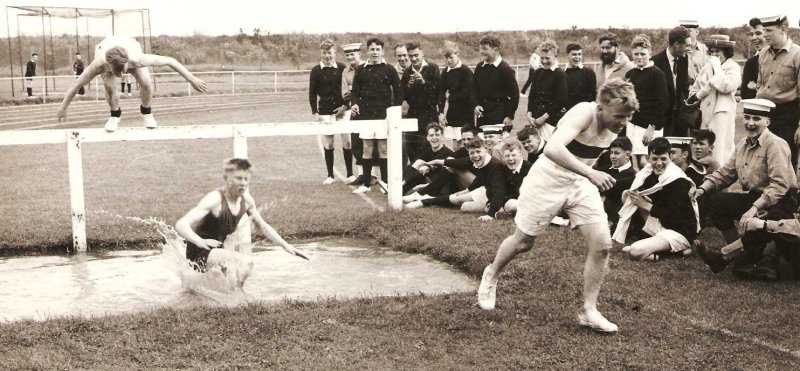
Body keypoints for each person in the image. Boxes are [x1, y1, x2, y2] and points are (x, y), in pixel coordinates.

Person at [478, 78, 639, 333]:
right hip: (548, 178)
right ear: (601, 105)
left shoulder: (617, 124)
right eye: (619, 115)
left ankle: (589, 310)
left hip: (579, 181)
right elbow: (552, 149)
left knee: (603, 245)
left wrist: (589, 175)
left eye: (627, 116)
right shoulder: (584, 111)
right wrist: (591, 173)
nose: (623, 122)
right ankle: (492, 273)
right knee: (523, 242)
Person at [693, 99, 797, 279]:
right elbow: (726, 172)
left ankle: (726, 255)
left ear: (767, 122)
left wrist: (754, 209)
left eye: (756, 118)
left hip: (781, 201)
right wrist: (702, 189)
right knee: (714, 202)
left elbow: (780, 185)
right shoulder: (743, 143)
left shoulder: (776, 144)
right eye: (747, 117)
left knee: (766, 221)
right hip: (755, 196)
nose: (750, 123)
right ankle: (743, 254)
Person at [175, 158, 307, 286]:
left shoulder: (247, 201)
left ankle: (233, 297)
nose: (243, 183)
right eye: (238, 178)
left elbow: (263, 226)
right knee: (245, 262)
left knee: (227, 284)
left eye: (246, 179)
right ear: (226, 178)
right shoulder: (215, 199)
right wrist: (201, 242)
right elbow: (181, 224)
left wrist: (286, 246)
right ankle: (238, 298)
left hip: (218, 252)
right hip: (199, 252)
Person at [56, 36, 208, 132]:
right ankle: (115, 115)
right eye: (119, 72)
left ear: (128, 62)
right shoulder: (99, 65)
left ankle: (146, 112)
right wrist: (63, 107)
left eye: (124, 70)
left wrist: (192, 79)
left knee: (147, 83)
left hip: (129, 45)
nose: (123, 76)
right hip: (105, 47)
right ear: (108, 67)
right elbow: (76, 85)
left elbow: (170, 61)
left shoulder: (137, 59)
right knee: (110, 87)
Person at [615, 137, 699, 261]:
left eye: (663, 159)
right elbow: (631, 185)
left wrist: (645, 205)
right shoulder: (648, 172)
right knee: (628, 195)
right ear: (648, 158)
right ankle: (655, 244)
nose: (659, 163)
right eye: (655, 159)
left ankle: (678, 251)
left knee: (635, 251)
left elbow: (675, 217)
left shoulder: (677, 180)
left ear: (670, 157)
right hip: (662, 225)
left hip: (679, 231)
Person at [350, 37, 403, 194]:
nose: (374, 52)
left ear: (382, 51)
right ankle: (366, 184)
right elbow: (355, 91)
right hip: (366, 115)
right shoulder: (361, 69)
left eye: (377, 49)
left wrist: (394, 111)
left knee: (383, 149)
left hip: (383, 115)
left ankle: (385, 184)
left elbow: (399, 91)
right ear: (367, 51)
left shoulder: (389, 69)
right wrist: (355, 104)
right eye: (372, 49)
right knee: (367, 148)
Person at [409, 137, 505, 220]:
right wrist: (436, 161)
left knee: (465, 206)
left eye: (478, 151)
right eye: (472, 153)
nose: (475, 155)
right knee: (458, 200)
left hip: (496, 197)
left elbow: (499, 191)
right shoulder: (480, 161)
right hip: (487, 192)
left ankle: (498, 209)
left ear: (485, 150)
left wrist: (490, 214)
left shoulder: (495, 166)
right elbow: (459, 164)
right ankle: (423, 201)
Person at [754, 15, 800, 171]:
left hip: (787, 115)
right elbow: (760, 84)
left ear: (784, 29)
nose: (765, 34)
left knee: (785, 161)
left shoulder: (797, 54)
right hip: (764, 113)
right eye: (764, 30)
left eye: (769, 30)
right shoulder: (763, 53)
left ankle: (789, 195)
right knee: (762, 160)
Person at [687, 35, 741, 165]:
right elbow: (694, 91)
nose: (714, 55)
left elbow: (726, 86)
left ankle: (721, 178)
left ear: (726, 52)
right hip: (704, 113)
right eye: (712, 51)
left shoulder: (733, 67)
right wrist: (701, 93)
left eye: (718, 51)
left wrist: (717, 68)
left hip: (721, 113)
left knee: (721, 148)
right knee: (703, 145)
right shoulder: (707, 67)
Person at [308, 39, 352, 185]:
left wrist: (345, 106)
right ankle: (330, 175)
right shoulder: (316, 70)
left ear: (335, 52)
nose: (327, 56)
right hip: (325, 111)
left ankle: (350, 174)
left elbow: (349, 90)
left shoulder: (341, 67)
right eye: (324, 53)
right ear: (321, 53)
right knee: (329, 143)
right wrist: (315, 112)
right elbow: (312, 93)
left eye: (330, 52)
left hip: (342, 110)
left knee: (347, 141)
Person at [625, 34, 669, 169]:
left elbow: (662, 103)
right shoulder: (630, 74)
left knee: (648, 162)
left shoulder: (657, 74)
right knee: (633, 161)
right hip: (632, 125)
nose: (639, 57)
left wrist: (652, 127)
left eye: (642, 54)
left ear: (650, 53)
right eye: (636, 54)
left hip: (649, 127)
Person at [401, 42, 441, 163]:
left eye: (416, 55)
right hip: (413, 113)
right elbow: (404, 95)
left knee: (430, 144)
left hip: (430, 112)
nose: (413, 58)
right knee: (412, 145)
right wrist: (409, 86)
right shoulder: (407, 72)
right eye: (411, 56)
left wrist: (424, 82)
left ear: (422, 53)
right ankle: (416, 176)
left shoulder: (433, 67)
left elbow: (437, 92)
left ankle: (430, 176)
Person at [472, 34, 520, 134]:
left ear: (496, 50)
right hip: (483, 115)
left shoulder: (506, 69)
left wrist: (509, 116)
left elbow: (515, 95)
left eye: (485, 49)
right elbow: (474, 90)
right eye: (480, 49)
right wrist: (476, 105)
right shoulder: (479, 67)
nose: (481, 52)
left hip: (499, 115)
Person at [339, 42, 369, 186]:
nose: (350, 57)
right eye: (348, 55)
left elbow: (371, 90)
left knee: (371, 143)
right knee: (356, 143)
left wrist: (355, 90)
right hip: (355, 112)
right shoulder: (346, 72)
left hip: (371, 110)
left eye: (353, 54)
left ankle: (374, 176)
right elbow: (345, 95)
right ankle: (362, 175)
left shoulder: (368, 67)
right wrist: (355, 91)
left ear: (359, 54)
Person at [652, 27, 691, 137]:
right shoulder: (655, 62)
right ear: (676, 44)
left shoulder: (684, 58)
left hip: (680, 118)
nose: (689, 49)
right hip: (663, 119)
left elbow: (683, 86)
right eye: (687, 45)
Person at [401, 123, 455, 200]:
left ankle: (401, 188)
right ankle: (401, 188)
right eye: (431, 135)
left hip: (443, 188)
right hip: (432, 183)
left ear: (442, 137)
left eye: (437, 135)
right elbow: (415, 162)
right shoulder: (429, 150)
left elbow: (433, 166)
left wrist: (424, 166)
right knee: (419, 162)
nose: (434, 138)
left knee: (422, 167)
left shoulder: (446, 152)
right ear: (427, 138)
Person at [527, 39, 567, 140]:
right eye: (542, 58)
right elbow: (532, 96)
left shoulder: (559, 74)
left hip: (550, 122)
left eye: (547, 58)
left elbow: (561, 101)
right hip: (535, 121)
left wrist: (543, 118)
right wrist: (529, 114)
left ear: (555, 55)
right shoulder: (537, 73)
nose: (544, 61)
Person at [438, 41, 474, 151]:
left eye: (451, 57)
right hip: (453, 113)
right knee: (456, 146)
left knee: (466, 144)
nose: (448, 60)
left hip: (465, 113)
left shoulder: (465, 71)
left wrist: (450, 97)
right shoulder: (445, 72)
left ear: (457, 55)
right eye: (446, 57)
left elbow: (466, 93)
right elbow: (441, 92)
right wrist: (441, 112)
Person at [595, 137, 635, 228]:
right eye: (611, 153)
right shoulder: (606, 168)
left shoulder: (631, 175)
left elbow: (606, 187)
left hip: (612, 215)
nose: (612, 156)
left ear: (627, 154)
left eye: (617, 153)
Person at [493, 138, 534, 219]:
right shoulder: (503, 170)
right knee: (510, 204)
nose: (510, 159)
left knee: (510, 204)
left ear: (521, 155)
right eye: (507, 156)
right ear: (503, 158)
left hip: (532, 200)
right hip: (515, 203)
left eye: (514, 155)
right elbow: (499, 191)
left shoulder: (530, 168)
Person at [564, 43, 597, 111]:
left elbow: (594, 94)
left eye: (579, 54)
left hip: (585, 111)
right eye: (574, 54)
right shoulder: (562, 73)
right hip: (568, 112)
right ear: (567, 55)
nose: (577, 57)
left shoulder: (589, 72)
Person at [740, 18, 765, 100]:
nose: (754, 38)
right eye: (751, 34)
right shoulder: (751, 62)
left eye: (758, 33)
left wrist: (756, 86)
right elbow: (744, 93)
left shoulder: (783, 58)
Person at [680, 20, 709, 85]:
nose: (686, 34)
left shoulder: (706, 50)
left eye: (689, 31)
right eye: (684, 31)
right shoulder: (678, 51)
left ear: (697, 32)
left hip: (703, 88)